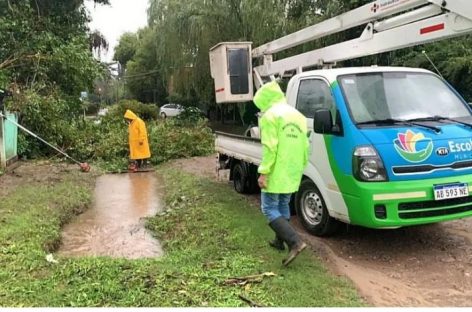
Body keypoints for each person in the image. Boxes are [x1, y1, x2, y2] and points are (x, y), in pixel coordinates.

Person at [253, 81, 309, 266]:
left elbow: (270, 147)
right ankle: (279, 241)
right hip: (293, 168)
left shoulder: (270, 116)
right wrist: (301, 166)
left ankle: (295, 242)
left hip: (276, 169)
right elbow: (305, 145)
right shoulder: (299, 116)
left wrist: (264, 172)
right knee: (283, 202)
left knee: (268, 207)